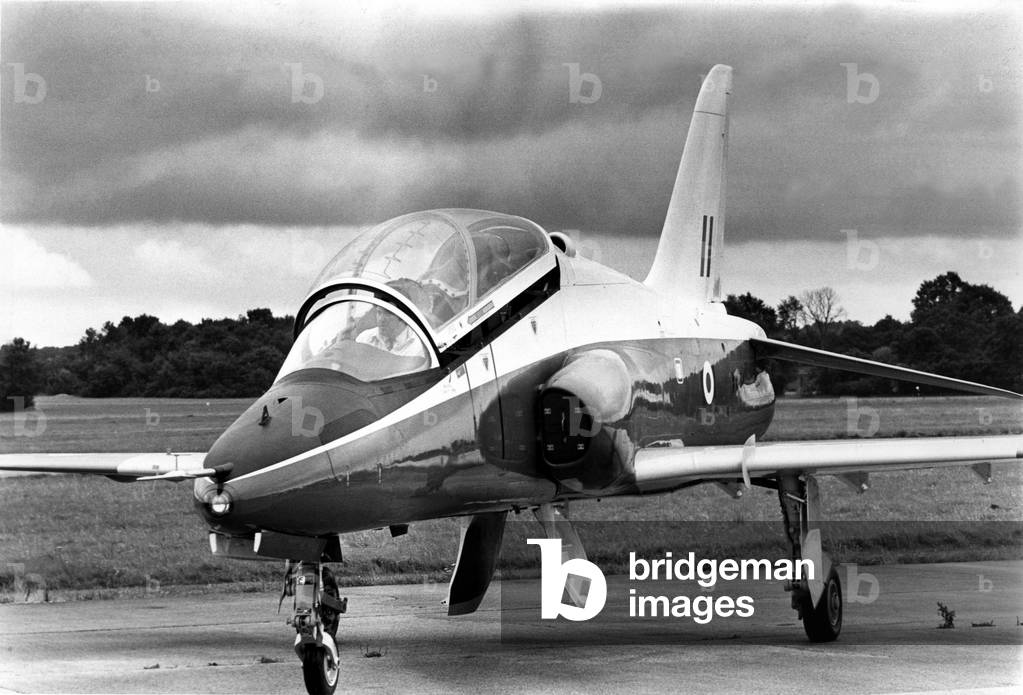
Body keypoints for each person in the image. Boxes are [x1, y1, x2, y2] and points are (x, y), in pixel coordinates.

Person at [356, 305, 427, 359]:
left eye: (388, 314)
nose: (381, 319)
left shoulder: (419, 346)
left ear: (403, 317)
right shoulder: (365, 338)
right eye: (379, 312)